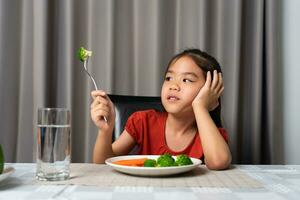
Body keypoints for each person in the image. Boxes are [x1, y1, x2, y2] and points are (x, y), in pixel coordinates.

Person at [90, 49, 231, 170]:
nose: (173, 86)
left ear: (210, 90)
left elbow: (218, 162)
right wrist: (105, 131)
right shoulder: (142, 121)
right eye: (169, 78)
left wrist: (201, 107)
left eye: (186, 80)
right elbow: (103, 163)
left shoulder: (212, 134)